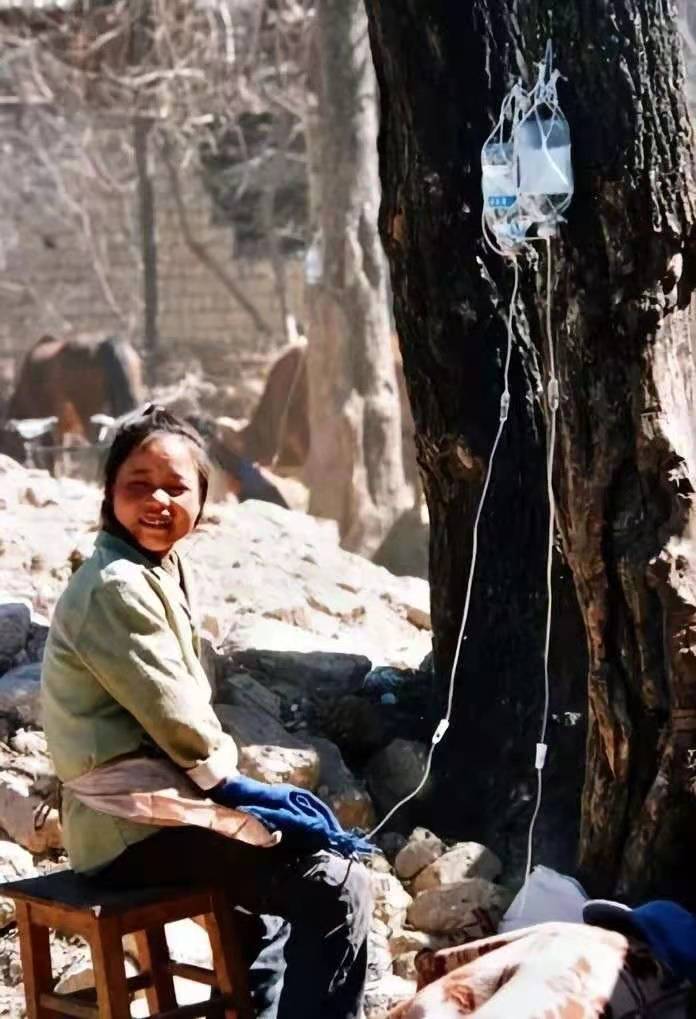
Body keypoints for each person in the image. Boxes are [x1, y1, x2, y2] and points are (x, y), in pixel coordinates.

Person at [41, 405, 372, 1019]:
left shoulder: (159, 571)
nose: (158, 500)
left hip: (156, 813)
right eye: (139, 484)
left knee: (264, 912)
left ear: (201, 501)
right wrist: (235, 788)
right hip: (127, 831)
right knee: (335, 883)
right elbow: (179, 721)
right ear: (109, 491)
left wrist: (237, 795)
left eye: (176, 487)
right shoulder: (115, 586)